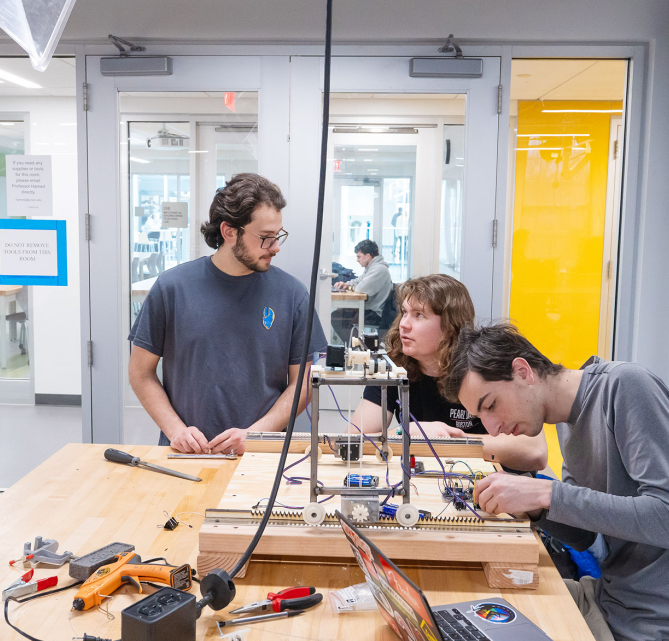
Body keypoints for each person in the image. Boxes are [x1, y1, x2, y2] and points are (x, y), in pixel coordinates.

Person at [442, 323, 669, 641]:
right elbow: (585, 533)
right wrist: (535, 510)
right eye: (479, 416)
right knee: (464, 612)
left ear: (522, 371)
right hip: (608, 604)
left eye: (491, 405)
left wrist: (545, 493)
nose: (493, 428)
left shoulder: (627, 387)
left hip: (658, 639)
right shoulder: (565, 421)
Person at [127, 173, 327, 456]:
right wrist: (175, 430)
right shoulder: (172, 289)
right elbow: (140, 373)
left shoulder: (292, 295)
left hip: (260, 454)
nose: (276, 247)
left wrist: (257, 434)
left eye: (278, 235)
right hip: (187, 453)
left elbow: (304, 381)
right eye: (266, 238)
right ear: (229, 231)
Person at [348, 276, 547, 472]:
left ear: (450, 327)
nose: (403, 324)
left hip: (490, 484)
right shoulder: (393, 368)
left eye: (419, 315)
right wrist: (406, 433)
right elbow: (352, 442)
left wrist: (446, 440)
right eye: (404, 313)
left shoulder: (488, 364)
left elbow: (534, 452)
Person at [332, 239, 393, 343]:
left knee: (339, 318)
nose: (357, 260)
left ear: (368, 256)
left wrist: (351, 287)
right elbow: (359, 281)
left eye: (359, 256)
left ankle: (356, 348)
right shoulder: (371, 267)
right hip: (368, 308)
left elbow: (361, 288)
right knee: (336, 316)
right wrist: (346, 285)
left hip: (375, 313)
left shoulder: (379, 269)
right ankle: (352, 347)